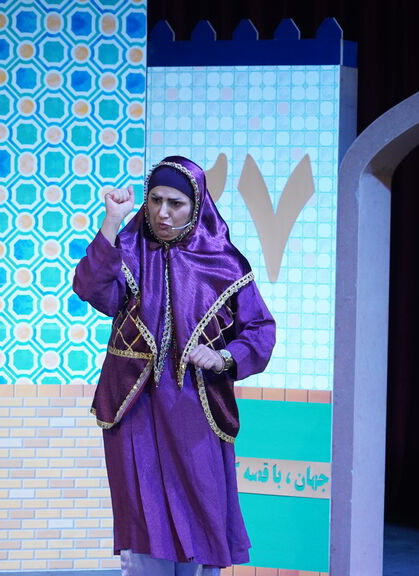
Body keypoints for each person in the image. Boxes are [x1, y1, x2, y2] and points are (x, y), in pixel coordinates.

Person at [72, 155, 276, 575]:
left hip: (195, 407)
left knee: (201, 508)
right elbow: (91, 288)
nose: (162, 212)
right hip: (135, 406)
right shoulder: (128, 250)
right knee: (142, 515)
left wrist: (224, 356)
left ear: (196, 205)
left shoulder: (225, 263)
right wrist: (112, 222)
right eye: (155, 200)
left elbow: (260, 330)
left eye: (175, 203)